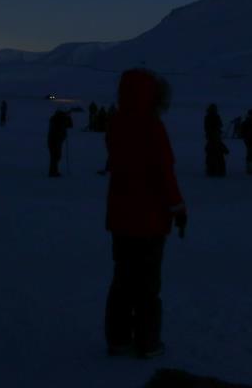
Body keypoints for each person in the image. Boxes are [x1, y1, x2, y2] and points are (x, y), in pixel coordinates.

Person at [104, 68, 186, 359]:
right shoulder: (152, 127)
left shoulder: (116, 123)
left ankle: (118, 338)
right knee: (148, 284)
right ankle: (148, 341)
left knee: (122, 279)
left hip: (120, 217)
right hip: (149, 220)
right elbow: (164, 173)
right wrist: (178, 208)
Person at [47, 110, 73, 177]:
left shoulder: (60, 119)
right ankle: (53, 172)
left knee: (57, 156)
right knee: (55, 156)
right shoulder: (55, 120)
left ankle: (54, 171)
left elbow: (70, 125)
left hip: (58, 140)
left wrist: (68, 118)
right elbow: (59, 128)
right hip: (54, 140)